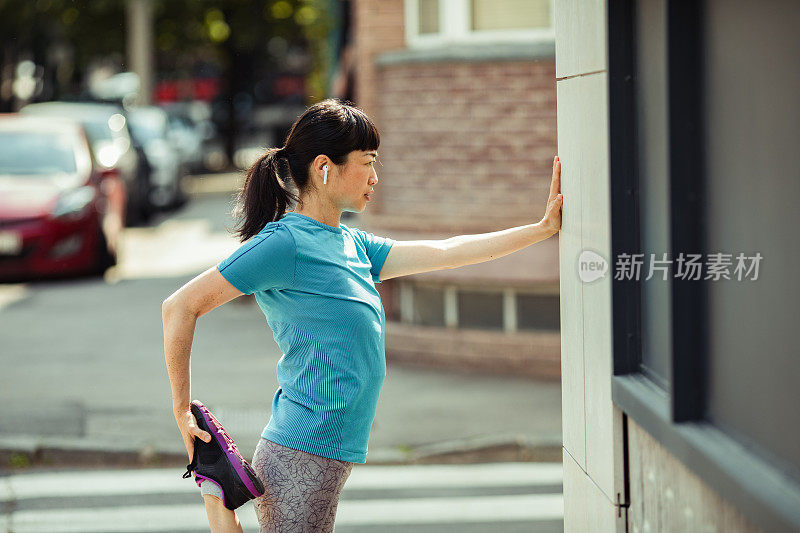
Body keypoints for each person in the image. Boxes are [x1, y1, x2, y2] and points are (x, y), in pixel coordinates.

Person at [162, 98, 563, 532]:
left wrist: (541, 229)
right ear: (324, 167)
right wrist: (181, 411)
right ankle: (216, 499)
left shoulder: (352, 244)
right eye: (367, 162)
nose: (376, 177)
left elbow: (446, 252)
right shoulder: (284, 244)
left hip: (330, 450)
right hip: (302, 449)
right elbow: (180, 306)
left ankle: (218, 499)